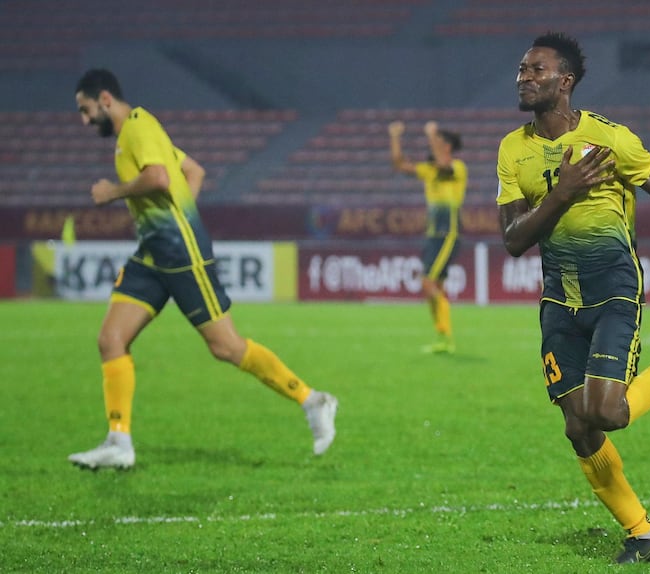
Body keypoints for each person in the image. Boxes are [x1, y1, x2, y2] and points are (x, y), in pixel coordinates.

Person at [496, 33, 650, 564]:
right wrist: (562, 193)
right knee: (577, 426)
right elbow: (512, 240)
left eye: (536, 69)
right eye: (521, 69)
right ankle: (644, 535)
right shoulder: (513, 149)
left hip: (614, 295)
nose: (524, 77)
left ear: (565, 82)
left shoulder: (611, 140)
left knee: (606, 413)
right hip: (559, 301)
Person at [68, 69, 338, 470]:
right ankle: (118, 443)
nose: (84, 120)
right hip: (152, 252)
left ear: (105, 99)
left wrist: (114, 192)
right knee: (111, 339)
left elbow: (159, 178)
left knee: (225, 346)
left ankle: (313, 400)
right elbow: (194, 171)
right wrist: (182, 212)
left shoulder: (138, 127)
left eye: (86, 110)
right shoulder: (140, 134)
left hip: (180, 253)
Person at [388, 120, 467, 354]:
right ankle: (444, 339)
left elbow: (444, 163)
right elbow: (399, 164)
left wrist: (432, 135)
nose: (435, 145)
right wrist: (395, 137)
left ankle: (445, 334)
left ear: (448, 146)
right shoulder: (430, 171)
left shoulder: (458, 168)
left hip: (448, 234)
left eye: (440, 142)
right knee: (434, 288)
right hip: (433, 235)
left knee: (428, 284)